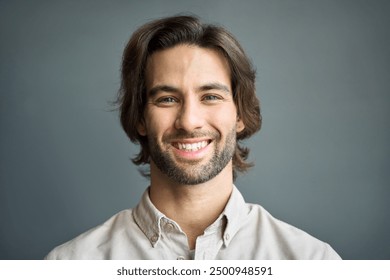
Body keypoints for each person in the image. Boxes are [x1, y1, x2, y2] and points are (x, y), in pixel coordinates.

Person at [45, 15, 341, 260]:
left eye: (210, 96)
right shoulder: (68, 264)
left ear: (239, 115)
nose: (189, 121)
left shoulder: (313, 261)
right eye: (167, 99)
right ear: (139, 118)